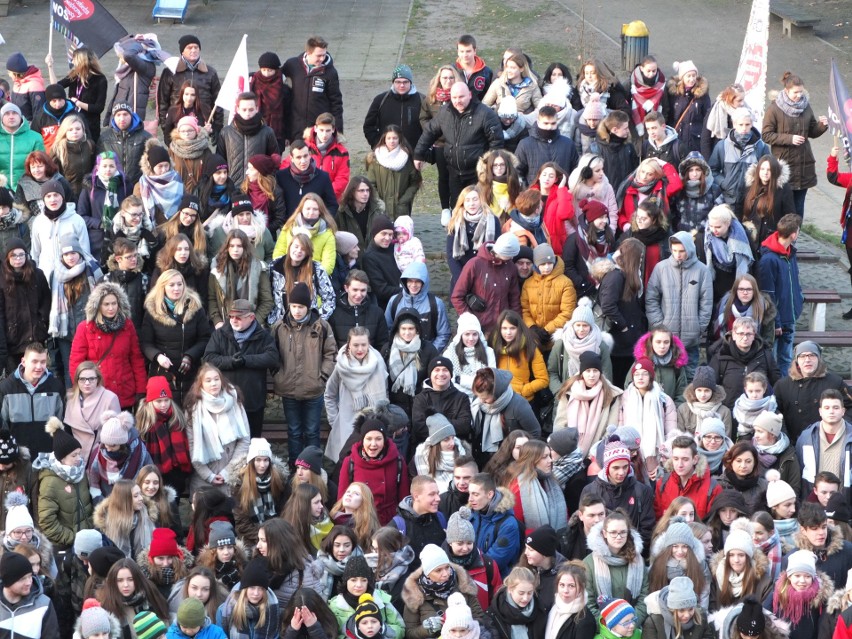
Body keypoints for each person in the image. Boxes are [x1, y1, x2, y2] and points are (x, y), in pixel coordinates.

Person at [271, 282, 337, 464]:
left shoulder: (321, 326)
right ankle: (295, 468)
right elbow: (272, 353)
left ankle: (313, 467)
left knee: (312, 431)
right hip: (288, 389)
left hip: (313, 389)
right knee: (293, 430)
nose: (297, 311)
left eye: (301, 307)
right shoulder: (279, 327)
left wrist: (322, 376)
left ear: (308, 307)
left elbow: (331, 353)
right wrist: (278, 374)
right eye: (293, 306)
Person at [413, 81, 503, 206]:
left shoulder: (485, 114)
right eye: (454, 97)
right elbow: (430, 132)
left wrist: (490, 168)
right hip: (454, 171)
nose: (457, 101)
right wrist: (418, 154)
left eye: (461, 97)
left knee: (477, 206)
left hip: (477, 173)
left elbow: (496, 143)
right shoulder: (445, 112)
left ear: (470, 95)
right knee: (456, 206)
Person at [202, 298, 278, 438]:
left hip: (253, 402)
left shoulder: (263, 336)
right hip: (226, 402)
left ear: (251, 317)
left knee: (252, 443)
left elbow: (272, 358)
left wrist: (246, 360)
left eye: (238, 317)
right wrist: (231, 361)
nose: (233, 320)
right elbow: (208, 358)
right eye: (231, 316)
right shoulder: (220, 334)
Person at [646, 232, 713, 377]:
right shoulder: (661, 268)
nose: (678, 254)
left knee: (690, 378)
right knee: (663, 377)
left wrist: (699, 327)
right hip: (665, 340)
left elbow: (706, 303)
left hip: (691, 341)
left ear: (690, 249)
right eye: (674, 250)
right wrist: (659, 325)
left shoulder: (702, 271)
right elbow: (651, 298)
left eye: (682, 251)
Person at [761, 72, 828, 217]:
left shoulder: (806, 106)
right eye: (795, 92)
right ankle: (781, 237)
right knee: (782, 207)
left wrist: (822, 126)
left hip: (804, 165)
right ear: (786, 91)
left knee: (799, 208)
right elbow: (766, 135)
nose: (799, 95)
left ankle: (794, 237)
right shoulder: (774, 109)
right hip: (783, 165)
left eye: (801, 92)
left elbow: (812, 131)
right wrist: (789, 139)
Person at [140, 269, 212, 405]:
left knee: (190, 414)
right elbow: (146, 343)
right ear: (163, 287)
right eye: (171, 285)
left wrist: (190, 355)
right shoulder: (152, 310)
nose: (176, 288)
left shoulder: (195, 308)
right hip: (162, 371)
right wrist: (158, 356)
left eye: (180, 284)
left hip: (190, 370)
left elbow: (205, 338)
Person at [324, 328, 389, 464]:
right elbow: (329, 394)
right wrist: (335, 420)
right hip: (347, 424)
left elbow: (385, 395)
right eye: (355, 345)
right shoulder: (341, 366)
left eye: (363, 345)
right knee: (348, 465)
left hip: (373, 423)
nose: (360, 349)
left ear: (369, 344)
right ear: (348, 344)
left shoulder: (378, 362)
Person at [185, 363, 251, 495]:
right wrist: (208, 475)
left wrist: (228, 471)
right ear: (201, 384)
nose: (213, 383)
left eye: (216, 379)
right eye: (208, 380)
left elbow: (245, 440)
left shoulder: (234, 402)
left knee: (233, 512)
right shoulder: (192, 408)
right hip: (204, 477)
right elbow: (193, 445)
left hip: (232, 474)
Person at [401, 543, 487, 639]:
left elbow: (480, 619)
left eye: (447, 567)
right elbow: (409, 633)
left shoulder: (463, 585)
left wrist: (465, 626)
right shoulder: (414, 595)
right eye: (438, 570)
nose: (446, 574)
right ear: (427, 573)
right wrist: (425, 629)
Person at [32, 418, 94, 550]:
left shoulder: (80, 473)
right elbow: (47, 522)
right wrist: (72, 538)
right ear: (62, 458)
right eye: (74, 455)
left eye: (79, 454)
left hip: (85, 541)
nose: (79, 459)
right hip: (65, 546)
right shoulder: (50, 481)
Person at [774, 341, 852, 442]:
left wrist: (839, 427)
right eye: (802, 356)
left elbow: (850, 407)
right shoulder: (782, 385)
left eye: (812, 355)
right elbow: (775, 412)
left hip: (827, 442)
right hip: (793, 443)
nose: (807, 360)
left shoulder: (835, 382)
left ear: (819, 359)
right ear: (797, 360)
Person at [592, 242, 646, 385]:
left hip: (627, 340)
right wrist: (624, 327)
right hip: (618, 342)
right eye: (639, 258)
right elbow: (608, 306)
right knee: (617, 381)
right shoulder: (615, 276)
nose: (641, 261)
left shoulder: (627, 275)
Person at [757, 213, 802, 377]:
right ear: (794, 234)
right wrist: (776, 322)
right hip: (777, 322)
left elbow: (795, 282)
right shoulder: (768, 260)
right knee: (774, 361)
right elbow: (767, 294)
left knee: (787, 358)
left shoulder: (791, 253)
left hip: (790, 316)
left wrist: (799, 302)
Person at [584, 511, 649, 623]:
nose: (618, 537)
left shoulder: (638, 561)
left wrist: (631, 623)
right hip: (603, 630)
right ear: (604, 533)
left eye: (623, 532)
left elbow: (644, 598)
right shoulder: (589, 563)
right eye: (613, 532)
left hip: (633, 627)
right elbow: (588, 602)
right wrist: (609, 626)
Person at [553, 351, 622, 455]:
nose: (591, 375)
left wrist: (596, 453)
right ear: (582, 372)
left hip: (597, 453)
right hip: (568, 451)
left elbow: (611, 428)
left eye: (595, 371)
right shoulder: (569, 392)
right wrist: (562, 450)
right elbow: (560, 424)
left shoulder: (612, 395)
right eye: (588, 371)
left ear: (600, 372)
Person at [451, 233, 521, 335]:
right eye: (510, 255)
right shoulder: (474, 264)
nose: (512, 258)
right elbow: (457, 297)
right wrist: (471, 321)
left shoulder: (511, 267)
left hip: (502, 330)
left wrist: (516, 323)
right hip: (478, 329)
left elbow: (514, 299)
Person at [0, 343, 64, 455]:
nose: (39, 367)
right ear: (23, 362)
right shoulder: (6, 388)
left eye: (43, 362)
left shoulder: (56, 387)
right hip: (18, 456)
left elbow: (61, 424)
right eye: (34, 361)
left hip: (48, 455)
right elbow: (3, 426)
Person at [708, 317, 780, 412]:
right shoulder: (721, 357)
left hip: (760, 412)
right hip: (729, 412)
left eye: (749, 334)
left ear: (754, 335)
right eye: (741, 334)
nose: (745, 338)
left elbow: (777, 384)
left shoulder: (765, 355)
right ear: (733, 335)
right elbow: (711, 386)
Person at [208, 228, 273, 329]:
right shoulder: (217, 268)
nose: (235, 249)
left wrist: (254, 322)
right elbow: (211, 298)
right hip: (225, 325)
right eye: (232, 246)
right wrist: (217, 321)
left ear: (245, 247)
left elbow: (267, 301)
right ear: (227, 247)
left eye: (239, 246)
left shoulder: (258, 268)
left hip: (251, 324)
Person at [157, 34, 221, 136]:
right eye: (189, 47)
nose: (194, 50)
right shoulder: (170, 72)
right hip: (176, 125)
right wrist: (165, 127)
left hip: (202, 125)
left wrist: (217, 127)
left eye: (196, 47)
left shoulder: (210, 73)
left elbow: (218, 101)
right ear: (182, 51)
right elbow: (162, 101)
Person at [283, 35, 344, 141]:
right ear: (308, 53)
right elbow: (275, 77)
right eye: (318, 55)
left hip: (319, 129)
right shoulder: (292, 65)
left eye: (324, 55)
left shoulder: (330, 72)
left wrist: (338, 131)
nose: (322, 58)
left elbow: (336, 102)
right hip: (296, 128)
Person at [268, 232, 336, 324]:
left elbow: (330, 298)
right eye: (296, 246)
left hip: (308, 325)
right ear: (290, 247)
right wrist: (272, 320)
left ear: (308, 252)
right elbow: (266, 297)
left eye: (303, 249)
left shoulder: (316, 268)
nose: (299, 250)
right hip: (281, 324)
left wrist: (318, 319)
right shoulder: (275, 266)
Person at [764, 549, 832, 639]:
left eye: (807, 576)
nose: (802, 581)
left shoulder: (821, 598)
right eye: (797, 576)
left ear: (813, 577)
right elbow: (765, 621)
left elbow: (825, 629)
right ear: (789, 577)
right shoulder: (777, 595)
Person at [709, 108, 768, 209]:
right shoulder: (722, 145)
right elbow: (712, 170)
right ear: (734, 124)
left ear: (751, 124)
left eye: (747, 124)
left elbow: (769, 170)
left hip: (752, 199)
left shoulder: (761, 147)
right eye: (741, 125)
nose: (744, 128)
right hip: (728, 198)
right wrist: (724, 183)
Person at [386, 262, 451, 352]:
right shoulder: (394, 301)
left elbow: (443, 334)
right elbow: (388, 329)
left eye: (417, 281)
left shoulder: (436, 304)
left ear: (424, 282)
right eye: (410, 281)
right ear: (405, 281)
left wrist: (430, 353)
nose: (413, 285)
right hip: (399, 354)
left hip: (426, 356)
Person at [445, 186, 501, 290]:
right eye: (468, 200)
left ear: (481, 200)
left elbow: (497, 250)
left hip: (486, 277)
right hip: (461, 276)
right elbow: (450, 255)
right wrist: (462, 280)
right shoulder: (454, 222)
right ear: (463, 203)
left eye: (475, 199)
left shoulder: (493, 221)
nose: (472, 204)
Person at [216, 92, 278, 186]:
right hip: (233, 187)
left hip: (258, 188)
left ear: (257, 109)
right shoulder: (226, 133)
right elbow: (220, 163)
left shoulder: (267, 132)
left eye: (251, 109)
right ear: (237, 109)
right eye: (244, 109)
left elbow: (274, 162)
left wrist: (267, 184)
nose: (247, 113)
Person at [708, 518, 773, 608]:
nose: (736, 560)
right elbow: (712, 608)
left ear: (748, 556)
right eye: (731, 555)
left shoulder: (763, 581)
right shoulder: (717, 577)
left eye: (741, 555)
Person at [63, 361, 121, 462]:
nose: (87, 383)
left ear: (98, 379)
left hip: (100, 457)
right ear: (77, 380)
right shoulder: (70, 397)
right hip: (75, 457)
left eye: (91, 379)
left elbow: (117, 433)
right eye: (82, 379)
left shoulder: (110, 398)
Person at [654, 435, 721, 519]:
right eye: (676, 459)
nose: (680, 464)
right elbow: (658, 520)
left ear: (695, 459)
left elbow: (712, 525)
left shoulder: (713, 488)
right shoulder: (662, 483)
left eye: (685, 459)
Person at [365, 125, 422, 222]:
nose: (392, 141)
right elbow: (371, 184)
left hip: (401, 209)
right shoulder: (375, 159)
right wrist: (378, 201)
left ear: (399, 139)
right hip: (380, 208)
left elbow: (415, 182)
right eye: (389, 138)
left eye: (395, 138)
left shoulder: (407, 158)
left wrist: (404, 201)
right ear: (384, 139)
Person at [742, 155, 796, 252]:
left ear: (774, 171)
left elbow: (790, 216)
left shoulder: (783, 189)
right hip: (751, 240)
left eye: (769, 170)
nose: (765, 173)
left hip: (772, 241)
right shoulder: (750, 187)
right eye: (762, 169)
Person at [276, 140, 339, 223]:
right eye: (298, 157)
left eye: (305, 156)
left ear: (310, 155)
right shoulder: (281, 177)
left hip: (316, 227)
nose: (303, 161)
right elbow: (278, 207)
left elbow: (332, 205)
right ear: (291, 158)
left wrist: (322, 223)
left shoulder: (323, 177)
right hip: (290, 228)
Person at [363, 64, 423, 151]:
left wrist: (421, 151)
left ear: (410, 82)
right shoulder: (380, 100)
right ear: (393, 82)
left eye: (405, 82)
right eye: (398, 82)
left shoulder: (422, 100)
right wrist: (377, 145)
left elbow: (429, 128)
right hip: (386, 153)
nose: (402, 85)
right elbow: (369, 126)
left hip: (413, 154)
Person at [616, 157, 683, 235]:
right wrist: (625, 225)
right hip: (632, 233)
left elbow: (677, 185)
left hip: (655, 234)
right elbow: (619, 212)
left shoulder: (661, 189)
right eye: (643, 172)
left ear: (656, 176)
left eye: (650, 174)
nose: (644, 176)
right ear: (638, 171)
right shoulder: (628, 189)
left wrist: (664, 164)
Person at [0, 551, 59, 638]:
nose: (29, 582)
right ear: (8, 581)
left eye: (30, 576)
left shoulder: (44, 604)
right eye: (22, 579)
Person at [514, 106, 579, 186]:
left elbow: (575, 171)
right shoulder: (525, 144)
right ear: (538, 121)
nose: (549, 127)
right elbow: (517, 172)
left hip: (561, 195)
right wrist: (527, 192)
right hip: (535, 195)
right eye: (545, 123)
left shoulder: (568, 144)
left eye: (553, 123)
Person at [328, 270, 390, 350]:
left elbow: (383, 344)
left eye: (363, 290)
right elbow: (332, 346)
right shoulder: (334, 314)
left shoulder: (377, 313)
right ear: (346, 288)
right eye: (355, 290)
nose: (359, 295)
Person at [97, 102, 152, 191]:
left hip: (138, 187)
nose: (122, 118)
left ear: (131, 115)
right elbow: (98, 164)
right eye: (118, 115)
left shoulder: (145, 137)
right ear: (114, 117)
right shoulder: (105, 138)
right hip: (113, 186)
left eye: (125, 114)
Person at [713, 275, 778, 346]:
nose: (745, 292)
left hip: (756, 351)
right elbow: (718, 334)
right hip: (728, 350)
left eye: (749, 289)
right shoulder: (725, 305)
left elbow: (768, 340)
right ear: (735, 290)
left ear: (755, 290)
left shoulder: (765, 307)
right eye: (741, 289)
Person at [670, 151, 723, 236]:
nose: (694, 174)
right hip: (682, 236)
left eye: (698, 170)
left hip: (707, 236)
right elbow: (671, 212)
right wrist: (678, 226)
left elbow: (720, 214)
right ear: (686, 172)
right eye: (691, 170)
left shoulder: (714, 190)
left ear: (703, 171)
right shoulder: (679, 190)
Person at [664, 60, 710, 155]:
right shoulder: (674, 94)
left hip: (695, 140)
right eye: (688, 76)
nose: (692, 79)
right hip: (677, 139)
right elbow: (669, 115)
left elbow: (707, 117)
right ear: (682, 78)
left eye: (694, 76)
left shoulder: (702, 95)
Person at [135, 141, 184, 224]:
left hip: (176, 224)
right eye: (160, 166)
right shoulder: (142, 185)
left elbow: (184, 201)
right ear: (150, 167)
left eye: (166, 165)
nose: (164, 170)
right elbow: (138, 208)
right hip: (155, 228)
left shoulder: (176, 179)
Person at [0, 103, 46, 191]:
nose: (11, 116)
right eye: (7, 114)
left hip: (27, 188)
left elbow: (40, 166)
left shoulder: (35, 137)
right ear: (1, 117)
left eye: (14, 113)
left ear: (21, 116)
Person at [337, 177, 387, 253]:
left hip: (373, 256)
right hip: (351, 257)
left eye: (367, 190)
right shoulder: (342, 212)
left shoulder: (377, 210)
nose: (365, 194)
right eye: (361, 191)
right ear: (352, 192)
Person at [677, 366, 732, 435]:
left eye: (707, 391)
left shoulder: (724, 412)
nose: (703, 394)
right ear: (694, 391)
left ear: (713, 391)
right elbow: (679, 438)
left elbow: (725, 439)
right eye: (699, 390)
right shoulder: (683, 409)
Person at [168, 115, 212, 195]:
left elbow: (209, 174)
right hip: (178, 195)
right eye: (183, 131)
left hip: (200, 195)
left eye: (190, 130)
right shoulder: (173, 149)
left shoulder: (205, 149)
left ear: (196, 131)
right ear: (178, 132)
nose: (186, 134)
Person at [5, 53, 45, 121]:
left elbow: (39, 113)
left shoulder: (34, 85)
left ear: (16, 73)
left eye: (9, 72)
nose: (9, 75)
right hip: (17, 124)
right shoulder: (17, 83)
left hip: (29, 127)